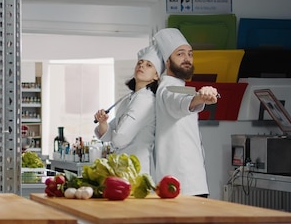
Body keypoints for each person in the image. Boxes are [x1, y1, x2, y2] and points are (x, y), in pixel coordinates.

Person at [153, 28, 219, 197]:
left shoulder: (179, 86)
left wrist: (199, 97)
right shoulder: (167, 88)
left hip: (190, 180)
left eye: (190, 54)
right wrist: (200, 97)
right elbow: (179, 102)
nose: (187, 59)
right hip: (182, 182)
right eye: (180, 54)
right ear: (167, 61)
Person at [93, 45, 164, 176]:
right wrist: (103, 122)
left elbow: (119, 139)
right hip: (123, 167)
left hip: (135, 170)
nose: (141, 66)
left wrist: (113, 133)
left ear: (156, 76)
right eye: (140, 63)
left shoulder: (146, 100)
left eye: (149, 65)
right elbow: (108, 136)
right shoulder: (129, 99)